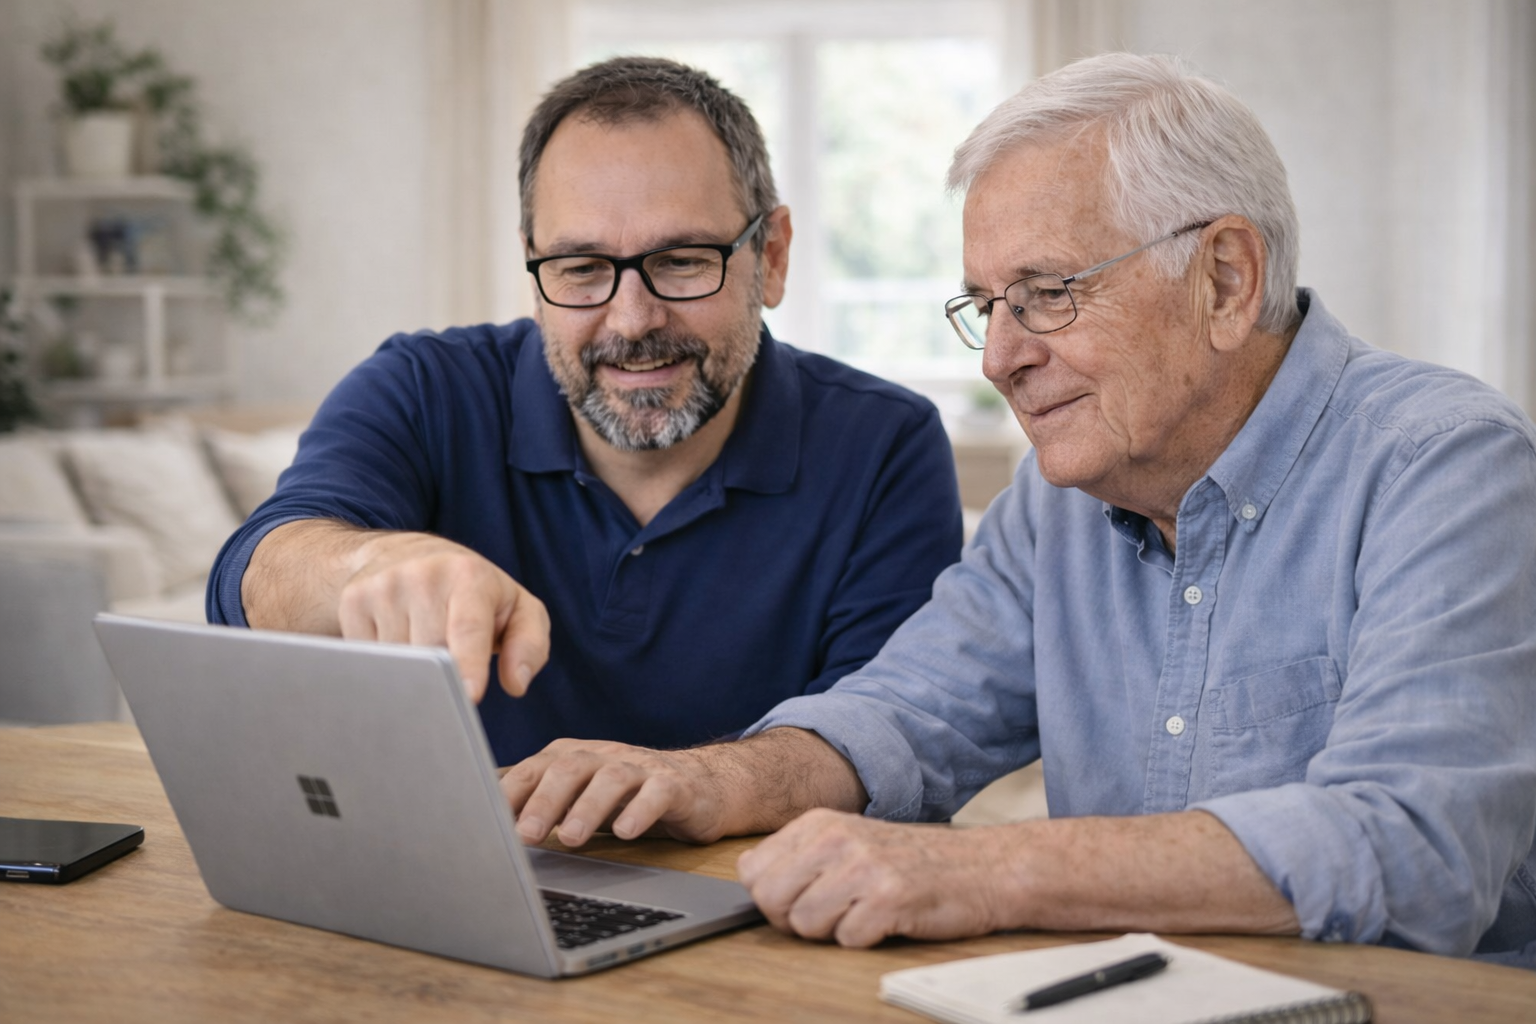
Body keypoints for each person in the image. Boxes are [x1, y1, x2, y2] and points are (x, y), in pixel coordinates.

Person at [499, 53, 1536, 966]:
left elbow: (1416, 849)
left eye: (1047, 294)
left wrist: (987, 870)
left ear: (1225, 278)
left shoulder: (1445, 464)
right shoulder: (1058, 497)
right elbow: (903, 717)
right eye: (987, 306)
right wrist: (704, 782)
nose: (999, 358)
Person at [207, 57, 962, 765]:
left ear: (771, 257)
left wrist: (690, 788)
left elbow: (882, 744)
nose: (631, 320)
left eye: (681, 261)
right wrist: (366, 566)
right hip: (462, 860)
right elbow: (248, 582)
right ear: (534, 264)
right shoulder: (422, 388)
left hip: (766, 864)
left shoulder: (885, 443)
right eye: (581, 268)